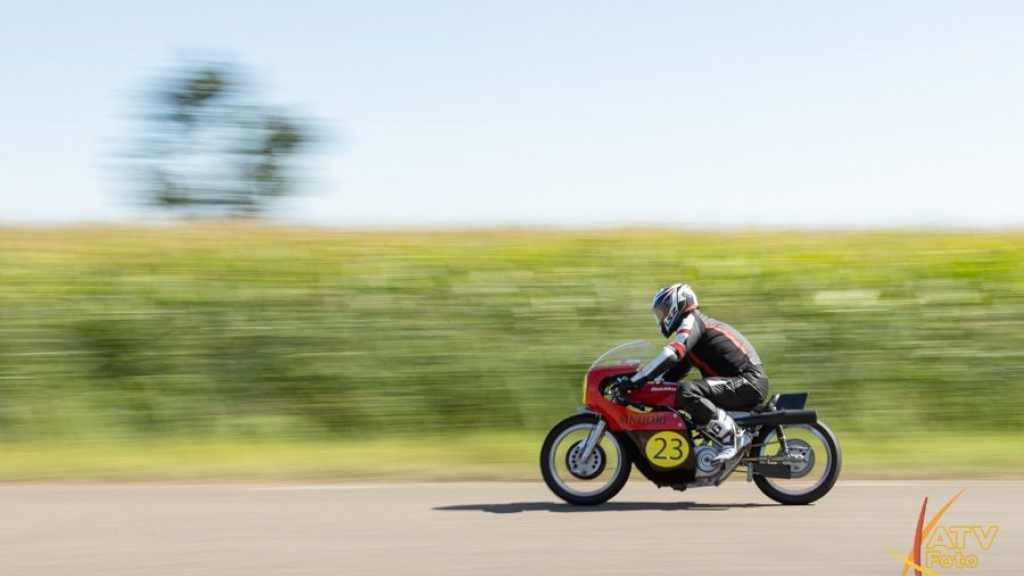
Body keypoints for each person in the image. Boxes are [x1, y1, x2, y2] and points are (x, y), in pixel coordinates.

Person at [619, 284, 769, 463]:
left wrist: (638, 378)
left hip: (748, 381)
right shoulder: (693, 339)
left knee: (688, 391)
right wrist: (644, 389)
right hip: (741, 382)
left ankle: (733, 439)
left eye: (664, 310)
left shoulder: (692, 321)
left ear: (679, 304)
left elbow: (671, 354)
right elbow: (670, 375)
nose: (662, 317)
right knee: (683, 398)